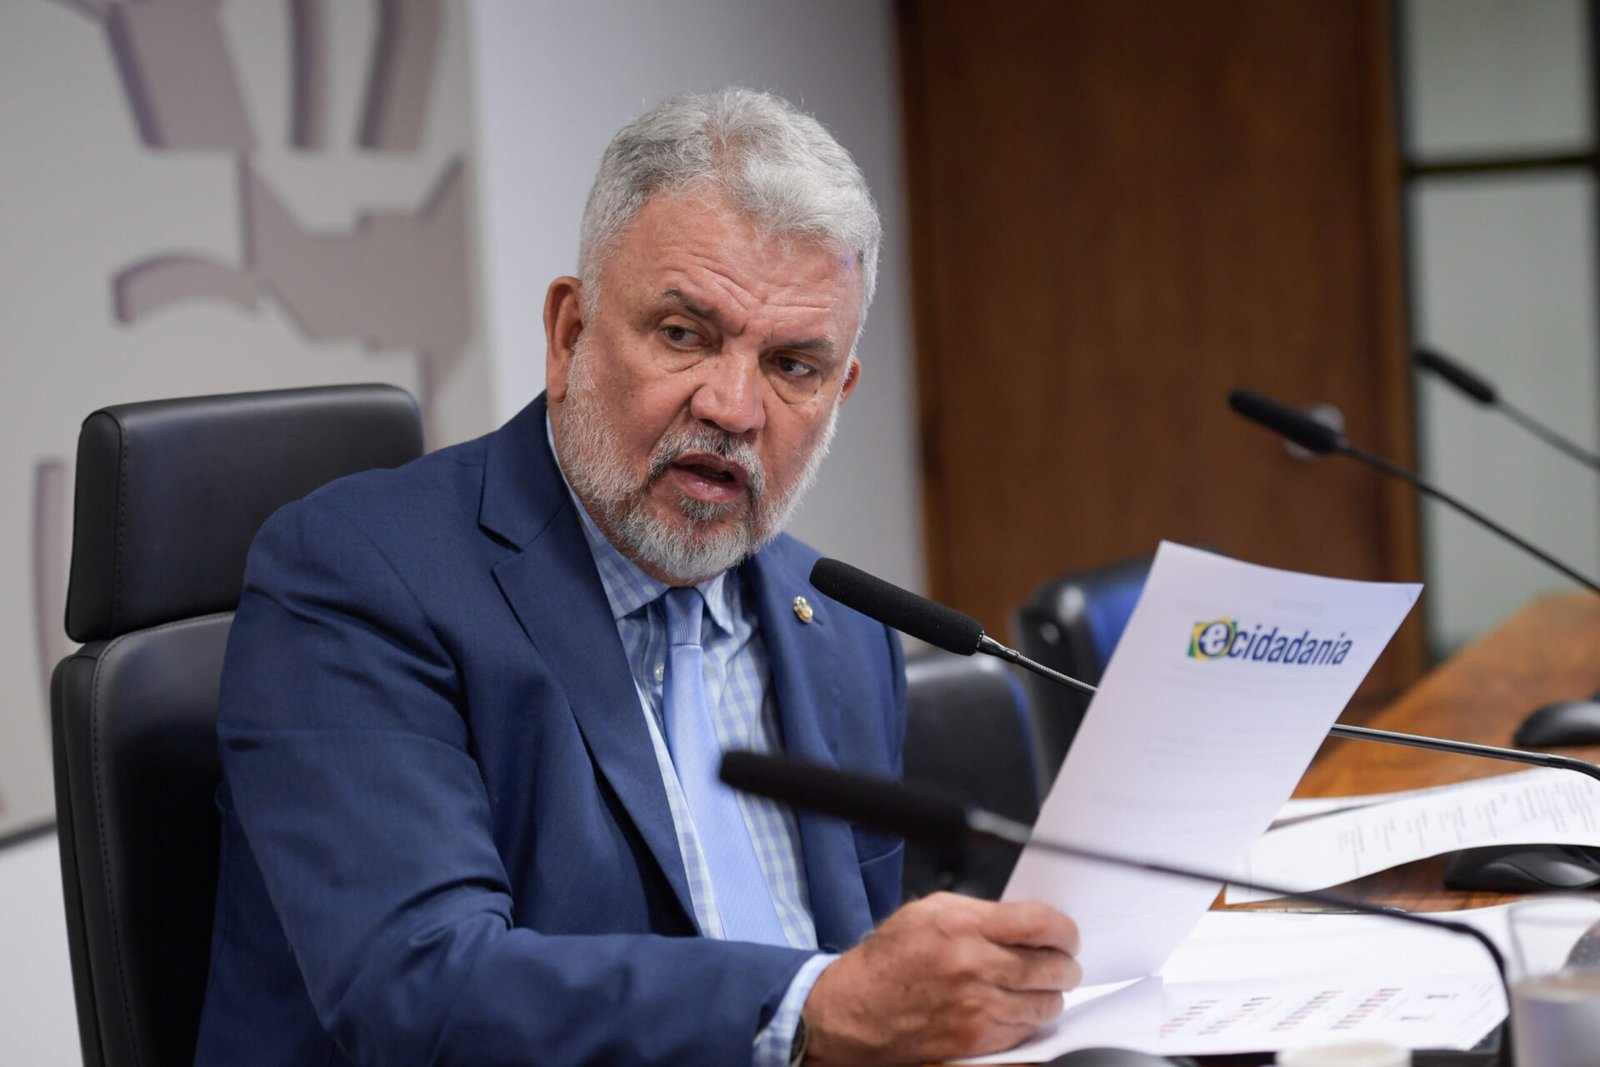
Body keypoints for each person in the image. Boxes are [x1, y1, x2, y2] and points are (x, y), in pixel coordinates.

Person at [194, 87, 1080, 1067]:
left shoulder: (838, 621)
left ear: (840, 393)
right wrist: (812, 1009)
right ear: (569, 334)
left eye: (793, 365)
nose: (733, 406)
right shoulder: (358, 576)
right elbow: (422, 987)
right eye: (683, 334)